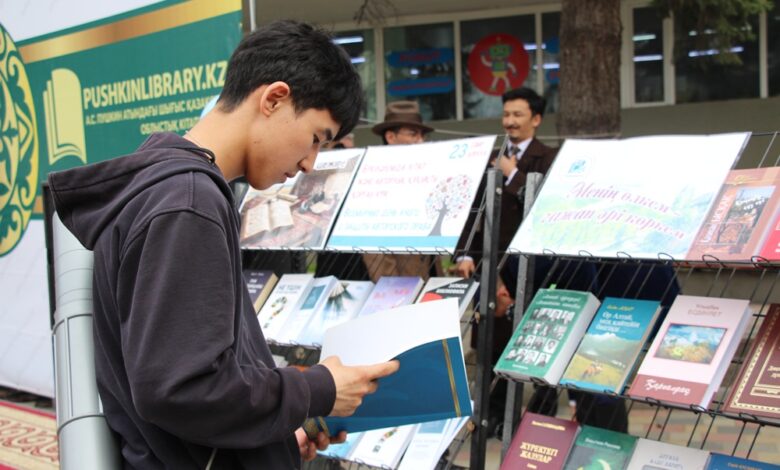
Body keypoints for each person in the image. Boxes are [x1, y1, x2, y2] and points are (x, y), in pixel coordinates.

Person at [48, 21, 399, 469]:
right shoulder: (188, 202)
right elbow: (183, 389)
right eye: (316, 138)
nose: (310, 163)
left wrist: (270, 439)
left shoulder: (170, 188)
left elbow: (185, 385)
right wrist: (318, 388)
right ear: (274, 99)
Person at [361, 100, 438, 282]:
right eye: (413, 134)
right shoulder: (373, 178)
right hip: (397, 282)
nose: (420, 140)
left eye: (422, 135)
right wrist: (391, 285)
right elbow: (372, 242)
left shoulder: (424, 173)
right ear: (390, 137)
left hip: (427, 274)